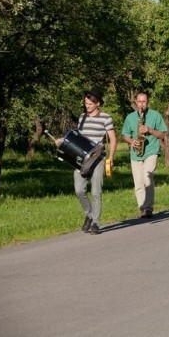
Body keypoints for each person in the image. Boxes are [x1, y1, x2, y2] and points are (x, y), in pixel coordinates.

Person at [54, 88, 117, 235]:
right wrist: (62, 141)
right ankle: (89, 215)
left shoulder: (106, 118)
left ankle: (95, 223)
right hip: (81, 160)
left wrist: (111, 158)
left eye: (90, 103)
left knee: (96, 192)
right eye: (86, 103)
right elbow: (77, 138)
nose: (87, 105)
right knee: (79, 190)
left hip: (98, 159)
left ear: (98, 103)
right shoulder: (82, 117)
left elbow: (113, 138)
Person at [121, 92, 167, 218]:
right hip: (135, 152)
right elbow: (125, 135)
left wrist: (149, 130)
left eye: (144, 102)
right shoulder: (130, 117)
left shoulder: (155, 115)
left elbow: (162, 135)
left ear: (148, 102)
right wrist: (131, 141)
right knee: (138, 182)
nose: (141, 104)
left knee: (148, 177)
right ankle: (142, 207)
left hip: (151, 150)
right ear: (136, 102)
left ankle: (148, 208)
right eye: (139, 102)